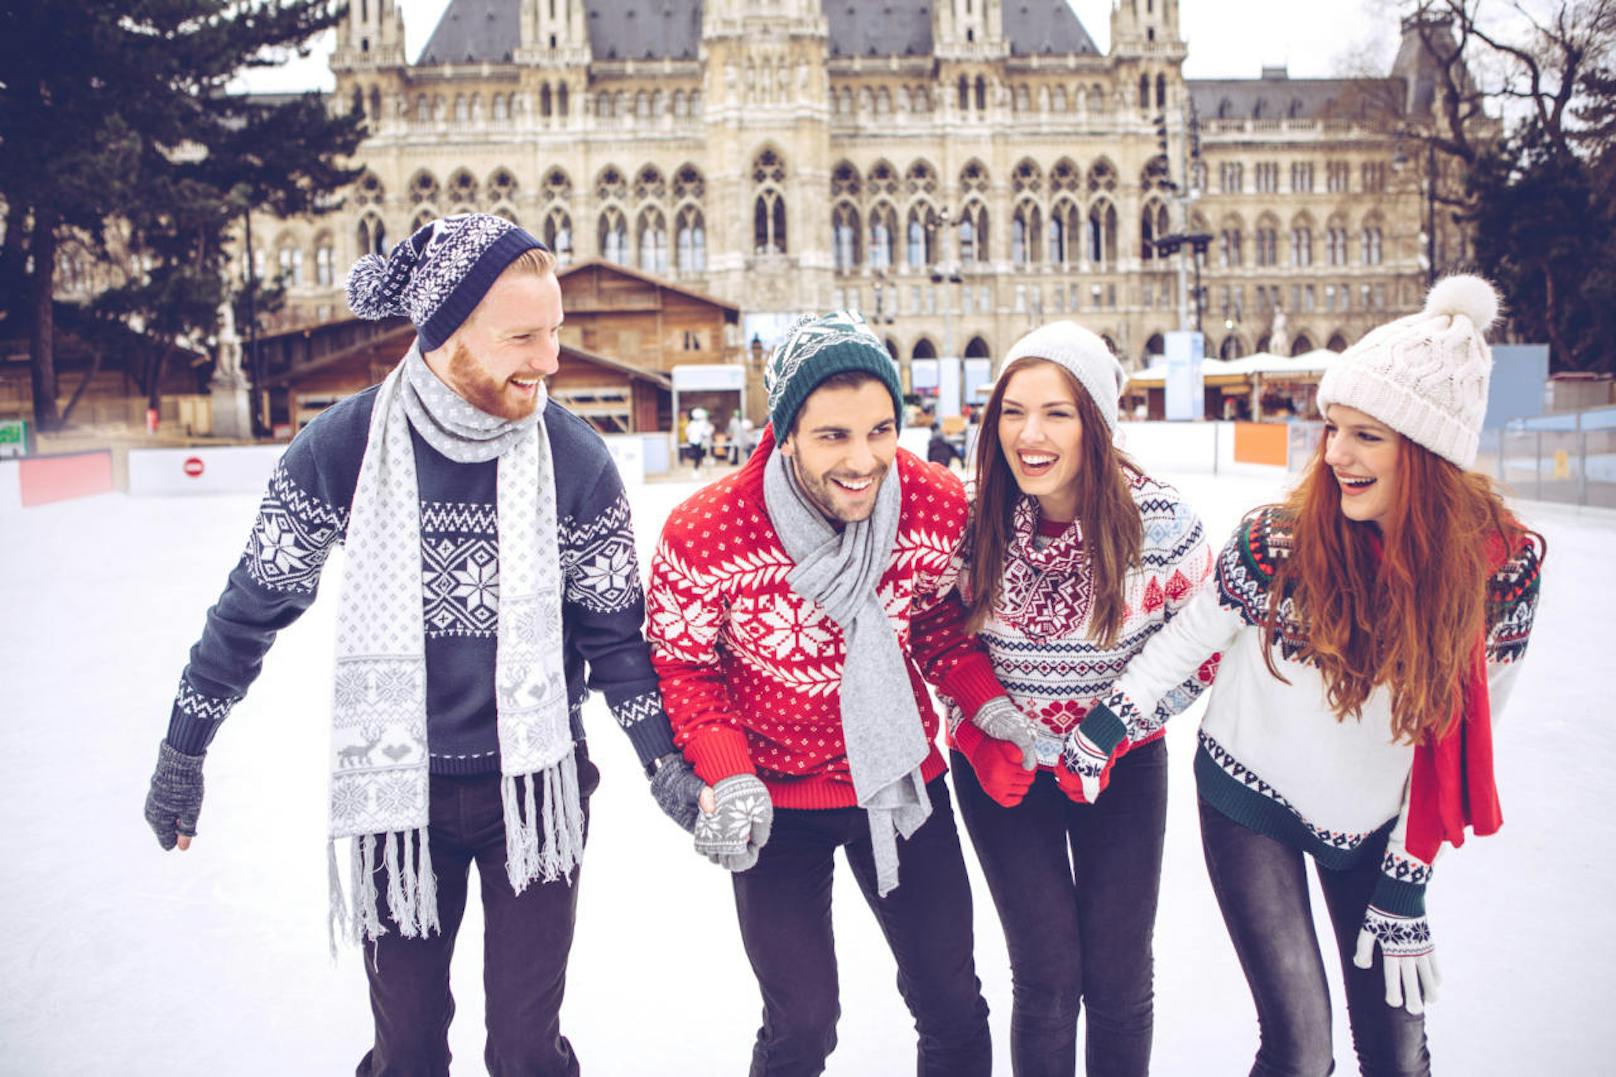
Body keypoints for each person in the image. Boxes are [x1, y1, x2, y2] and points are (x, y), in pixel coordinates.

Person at [141, 214, 705, 1076]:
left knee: (524, 1047)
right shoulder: (341, 450)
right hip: (397, 798)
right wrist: (184, 749)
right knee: (406, 1048)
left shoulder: (575, 459)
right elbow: (250, 608)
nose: (549, 359)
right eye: (522, 336)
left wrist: (665, 762)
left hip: (536, 791)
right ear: (445, 330)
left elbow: (616, 637)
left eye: (555, 331)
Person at [1058, 276, 1545, 1075]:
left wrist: (1407, 874)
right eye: (1333, 428)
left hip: (1379, 820)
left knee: (1398, 1051)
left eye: (1367, 436)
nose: (1336, 454)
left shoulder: (1503, 575)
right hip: (1252, 795)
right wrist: (1108, 722)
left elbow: (1461, 736)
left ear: (1428, 452)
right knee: (1301, 1045)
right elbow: (1190, 637)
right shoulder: (1281, 542)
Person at [644, 310, 1038, 1077]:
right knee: (801, 1026)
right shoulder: (709, 533)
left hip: (897, 781)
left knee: (953, 1003)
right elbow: (685, 665)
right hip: (775, 800)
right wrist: (728, 775)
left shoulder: (933, 506)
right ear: (785, 431)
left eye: (881, 430)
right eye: (833, 436)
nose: (864, 461)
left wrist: (987, 715)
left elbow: (937, 625)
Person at [949, 322, 1216, 1076]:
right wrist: (977, 733)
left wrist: (1119, 727)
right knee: (1047, 975)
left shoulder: (1161, 525)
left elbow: (1201, 653)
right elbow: (937, 637)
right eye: (1012, 410)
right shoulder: (972, 522)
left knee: (1120, 975)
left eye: (1056, 412)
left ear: (1095, 421)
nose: (1029, 435)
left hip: (1122, 767)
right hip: (1005, 769)